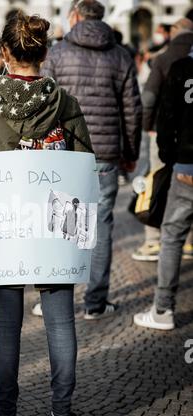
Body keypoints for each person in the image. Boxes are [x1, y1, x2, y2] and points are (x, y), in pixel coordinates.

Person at [0, 11, 93, 416]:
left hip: (3, 231)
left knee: (4, 326)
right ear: (45, 52)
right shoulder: (64, 103)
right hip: (55, 228)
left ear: (4, 53)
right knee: (59, 323)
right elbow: (83, 168)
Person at [41, 0, 142, 320]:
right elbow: (132, 110)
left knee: (61, 225)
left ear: (74, 16)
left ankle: (54, 302)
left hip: (66, 153)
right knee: (100, 227)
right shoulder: (121, 55)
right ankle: (95, 303)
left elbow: (44, 105)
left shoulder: (57, 53)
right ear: (102, 18)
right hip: (106, 154)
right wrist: (130, 154)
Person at [134, 47, 193, 331]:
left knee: (171, 237)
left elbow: (166, 120)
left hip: (186, 167)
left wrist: (171, 159)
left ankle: (163, 309)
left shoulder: (181, 68)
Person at [132, 18, 193, 262]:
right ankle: (190, 242)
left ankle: (153, 240)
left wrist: (147, 126)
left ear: (173, 32)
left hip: (163, 132)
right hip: (189, 139)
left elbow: (149, 98)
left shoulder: (164, 57)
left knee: (156, 183)